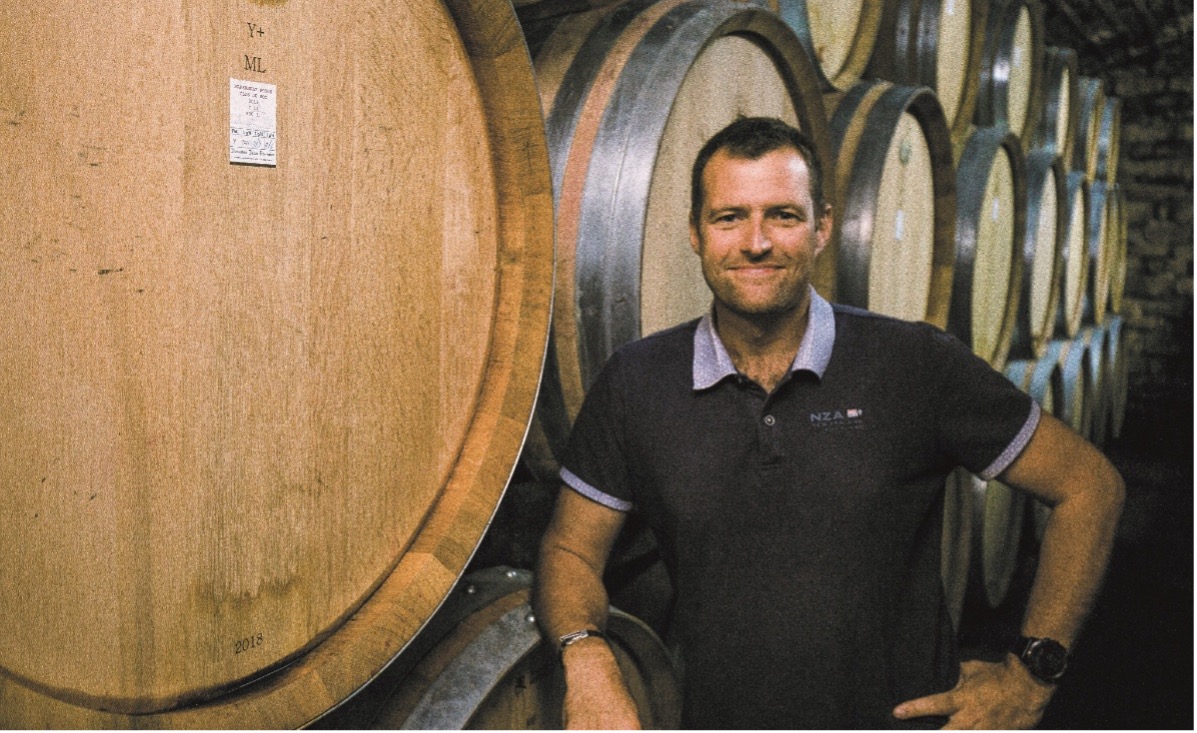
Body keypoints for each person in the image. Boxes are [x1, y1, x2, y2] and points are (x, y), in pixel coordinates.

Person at [533, 116, 1124, 729]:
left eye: (783, 216)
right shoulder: (637, 380)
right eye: (729, 217)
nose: (756, 241)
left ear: (823, 228)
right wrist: (589, 659)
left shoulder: (913, 362)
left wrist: (1032, 677)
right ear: (695, 233)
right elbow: (570, 548)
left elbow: (1089, 486)